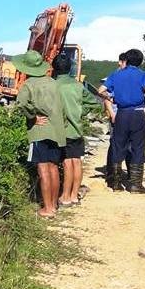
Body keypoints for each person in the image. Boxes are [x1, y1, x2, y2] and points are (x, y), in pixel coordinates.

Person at [14, 50, 67, 218]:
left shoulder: (28, 85)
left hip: (40, 131)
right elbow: (63, 110)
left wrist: (33, 117)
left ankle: (47, 208)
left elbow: (21, 105)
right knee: (53, 167)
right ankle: (54, 205)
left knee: (43, 169)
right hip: (57, 131)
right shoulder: (54, 83)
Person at [98, 49, 145, 193]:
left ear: (127, 60)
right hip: (137, 114)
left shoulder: (116, 75)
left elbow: (100, 90)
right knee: (137, 148)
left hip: (121, 114)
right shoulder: (142, 75)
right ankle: (135, 185)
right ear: (140, 61)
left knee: (118, 146)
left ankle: (116, 184)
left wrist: (111, 98)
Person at [53, 54, 98, 206]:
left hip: (61, 130)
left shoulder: (53, 86)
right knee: (76, 162)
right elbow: (93, 103)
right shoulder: (78, 86)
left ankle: (64, 197)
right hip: (76, 129)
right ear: (70, 68)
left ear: (54, 68)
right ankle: (73, 196)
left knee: (66, 163)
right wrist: (80, 112)